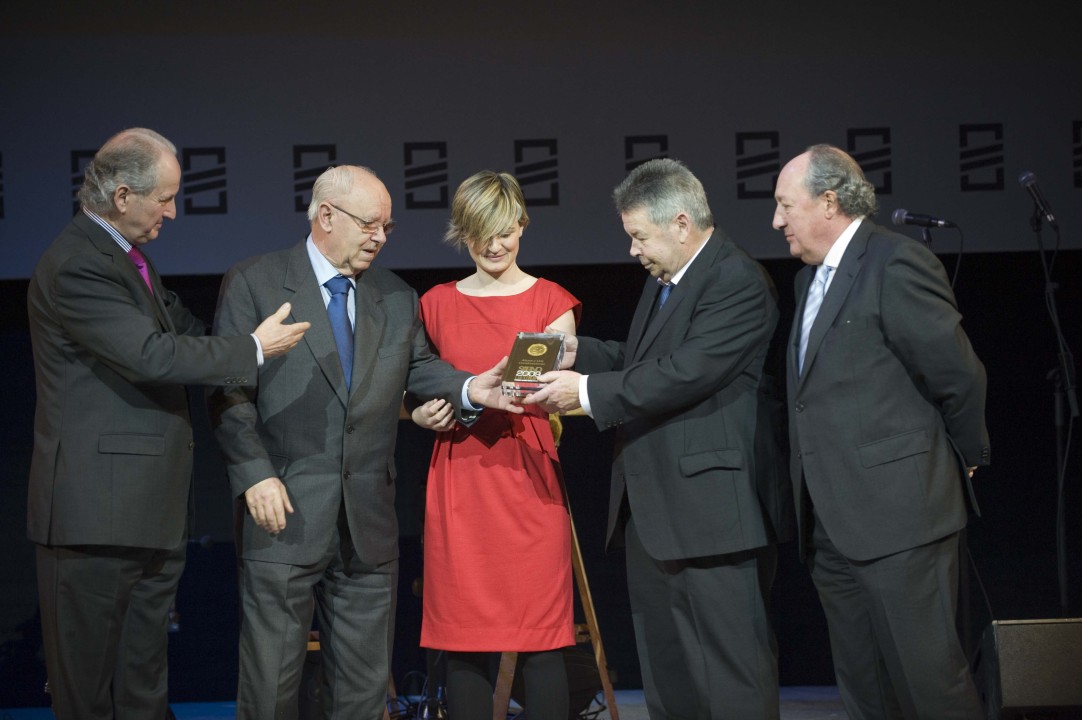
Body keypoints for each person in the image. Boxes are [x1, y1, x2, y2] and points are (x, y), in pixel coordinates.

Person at [207, 164, 522, 720]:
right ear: (326, 216)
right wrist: (254, 473)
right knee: (270, 684)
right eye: (370, 224)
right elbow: (228, 391)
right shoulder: (256, 281)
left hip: (368, 522)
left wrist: (473, 388)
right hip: (284, 512)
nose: (380, 237)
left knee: (363, 689)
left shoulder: (395, 296)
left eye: (387, 227)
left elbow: (420, 369)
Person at [26, 127, 309, 720]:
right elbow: (151, 355)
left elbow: (192, 334)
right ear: (122, 196)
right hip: (94, 519)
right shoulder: (78, 264)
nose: (173, 212)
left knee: (142, 686)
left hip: (145, 514)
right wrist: (254, 349)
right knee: (88, 692)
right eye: (165, 199)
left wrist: (266, 339)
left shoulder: (129, 260)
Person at [525, 158, 790, 719]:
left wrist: (585, 393)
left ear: (681, 223)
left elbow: (688, 372)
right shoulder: (667, 279)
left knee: (731, 672)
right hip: (653, 512)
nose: (633, 250)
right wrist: (579, 353)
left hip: (713, 515)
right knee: (669, 674)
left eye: (640, 236)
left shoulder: (736, 280)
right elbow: (645, 360)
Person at [772, 144, 989, 719]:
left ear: (829, 201)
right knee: (865, 691)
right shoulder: (808, 281)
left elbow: (958, 374)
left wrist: (964, 456)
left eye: (785, 205)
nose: (776, 220)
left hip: (903, 520)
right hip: (831, 525)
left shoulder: (895, 262)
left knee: (929, 685)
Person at [408, 171, 580, 720]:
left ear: (523, 225)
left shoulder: (551, 301)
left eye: (505, 231)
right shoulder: (434, 304)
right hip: (460, 485)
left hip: (530, 485)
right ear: (462, 232)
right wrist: (417, 412)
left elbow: (563, 391)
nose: (495, 245)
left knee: (541, 638)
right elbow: (408, 385)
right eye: (481, 233)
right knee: (462, 641)